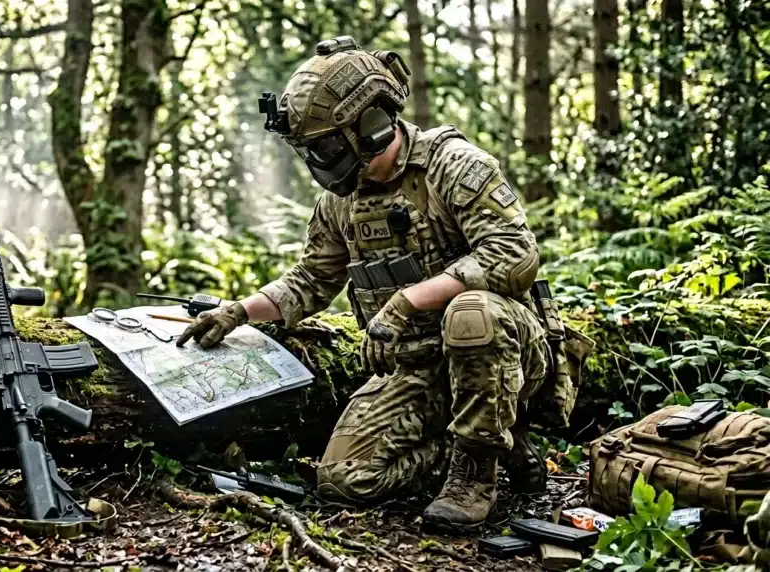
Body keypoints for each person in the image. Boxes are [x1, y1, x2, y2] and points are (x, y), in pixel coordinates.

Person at [176, 36, 562, 533]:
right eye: (309, 149)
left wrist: (406, 302)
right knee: (344, 482)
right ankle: (478, 439)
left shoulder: (453, 166)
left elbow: (514, 252)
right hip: (417, 368)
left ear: (370, 125)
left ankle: (476, 473)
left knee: (472, 314)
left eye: (326, 145)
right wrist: (238, 312)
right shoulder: (341, 201)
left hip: (503, 352)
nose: (318, 160)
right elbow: (312, 279)